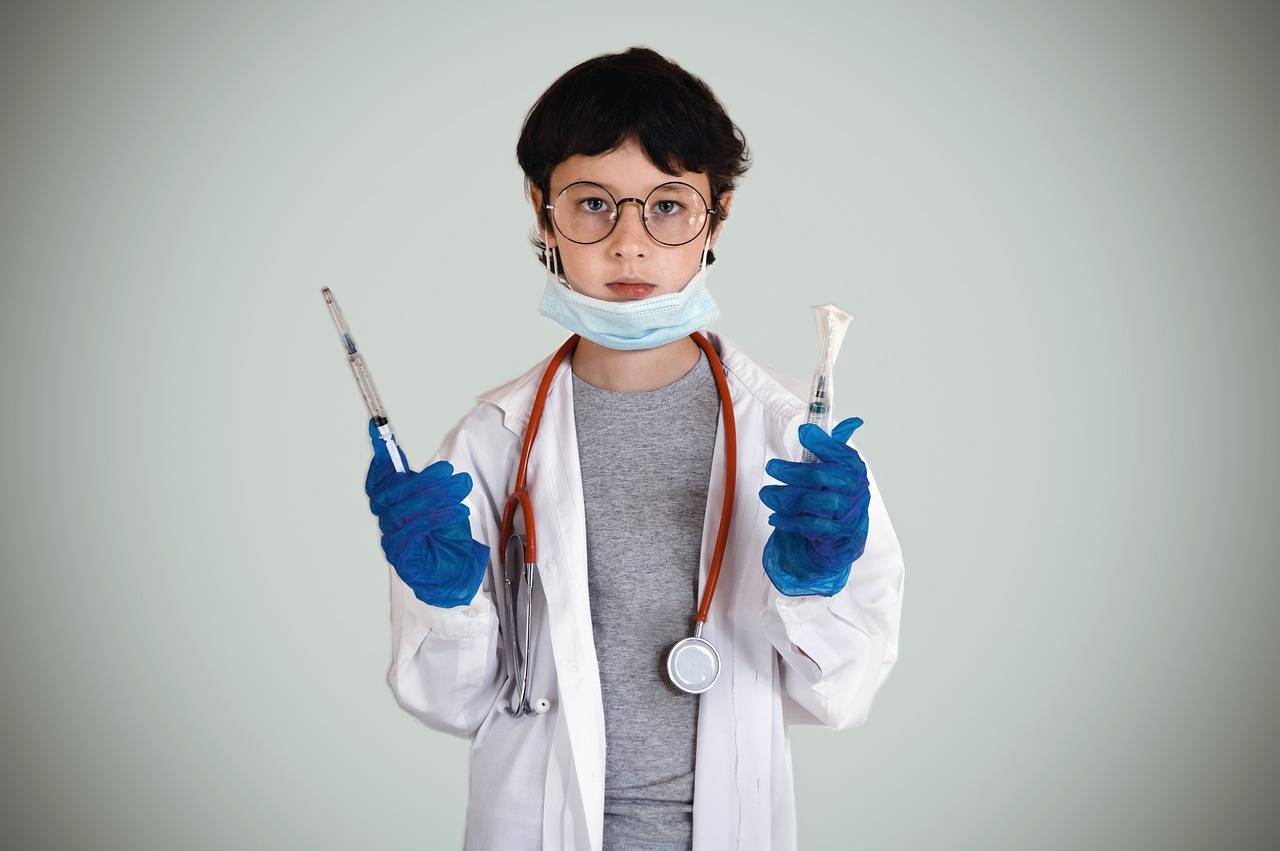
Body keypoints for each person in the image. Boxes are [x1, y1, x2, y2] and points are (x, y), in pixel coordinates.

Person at [363, 46, 905, 851]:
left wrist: (816, 584)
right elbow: (452, 701)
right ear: (542, 211)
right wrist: (446, 600)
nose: (629, 243)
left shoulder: (793, 439)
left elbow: (843, 695)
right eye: (592, 204)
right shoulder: (487, 443)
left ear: (716, 217)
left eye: (667, 206)